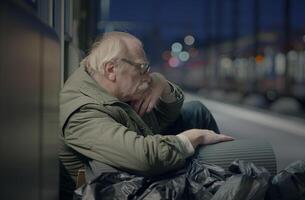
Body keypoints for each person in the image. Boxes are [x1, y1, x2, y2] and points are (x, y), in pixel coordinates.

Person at [59, 31, 233, 196]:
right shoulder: (82, 112)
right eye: (142, 68)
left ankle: (222, 186)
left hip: (125, 179)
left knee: (196, 111)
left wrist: (162, 85)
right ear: (111, 69)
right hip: (112, 190)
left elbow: (162, 119)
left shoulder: (110, 88)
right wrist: (193, 138)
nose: (147, 76)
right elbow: (143, 158)